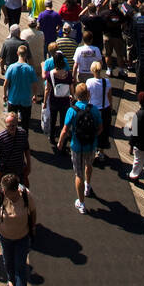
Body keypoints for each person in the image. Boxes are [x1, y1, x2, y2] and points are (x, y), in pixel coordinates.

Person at [58, 82, 102, 213]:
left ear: (76, 95)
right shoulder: (94, 110)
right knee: (89, 165)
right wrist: (93, 136)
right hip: (91, 144)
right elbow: (100, 128)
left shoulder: (72, 110)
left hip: (77, 146)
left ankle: (81, 203)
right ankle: (88, 186)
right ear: (88, 95)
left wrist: (60, 143)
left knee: (78, 174)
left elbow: (65, 129)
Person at [0, 111, 31, 187]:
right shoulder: (0, 138)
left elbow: (27, 150)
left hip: (19, 170)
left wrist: (29, 167)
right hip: (5, 172)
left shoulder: (22, 134)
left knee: (24, 193)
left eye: (13, 125)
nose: (11, 128)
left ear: (17, 124)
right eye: (9, 126)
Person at [43, 49, 72, 151]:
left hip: (54, 99)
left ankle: (51, 137)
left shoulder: (50, 74)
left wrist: (44, 102)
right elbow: (71, 87)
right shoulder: (68, 74)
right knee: (64, 120)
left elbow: (47, 89)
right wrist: (72, 96)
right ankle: (62, 138)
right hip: (65, 100)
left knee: (53, 119)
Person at [4, 44, 38, 132]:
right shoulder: (30, 68)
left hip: (13, 99)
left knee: (11, 124)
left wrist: (5, 95)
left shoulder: (11, 67)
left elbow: (5, 84)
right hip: (26, 99)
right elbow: (34, 84)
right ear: (26, 54)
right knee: (25, 124)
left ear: (17, 53)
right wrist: (34, 95)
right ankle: (23, 141)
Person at [86, 61, 113, 165]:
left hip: (93, 109)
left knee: (93, 130)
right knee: (104, 131)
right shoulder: (106, 82)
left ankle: (92, 150)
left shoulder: (89, 82)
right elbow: (109, 96)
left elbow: (88, 96)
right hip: (105, 108)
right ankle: (101, 152)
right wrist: (111, 106)